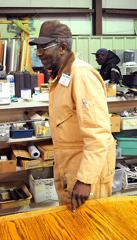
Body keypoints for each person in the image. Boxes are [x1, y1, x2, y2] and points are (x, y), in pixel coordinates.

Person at [29, 20, 116, 212]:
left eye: (44, 47)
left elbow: (98, 133)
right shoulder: (60, 76)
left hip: (88, 173)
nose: (39, 53)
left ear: (62, 48)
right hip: (70, 166)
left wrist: (85, 179)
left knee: (92, 228)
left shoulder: (81, 75)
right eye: (38, 48)